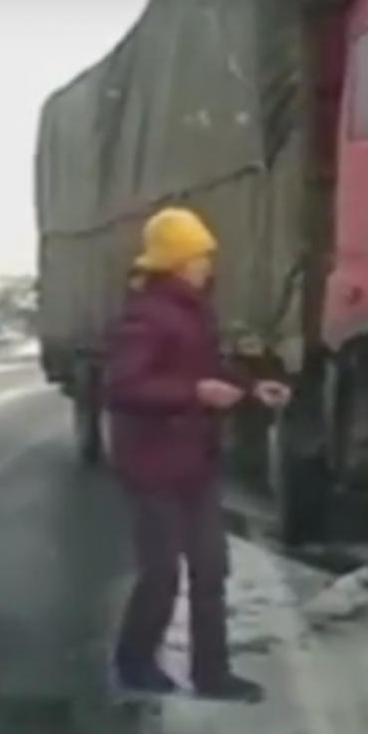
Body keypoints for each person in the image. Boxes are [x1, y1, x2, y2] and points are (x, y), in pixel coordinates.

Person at [105, 207, 291, 702]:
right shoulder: (146, 314)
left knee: (211, 569)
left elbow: (207, 370)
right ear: (177, 260)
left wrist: (251, 389)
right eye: (200, 256)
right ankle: (134, 662)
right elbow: (123, 386)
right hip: (152, 464)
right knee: (162, 572)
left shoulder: (193, 310)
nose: (208, 264)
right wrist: (195, 393)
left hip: (196, 458)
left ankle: (212, 675)